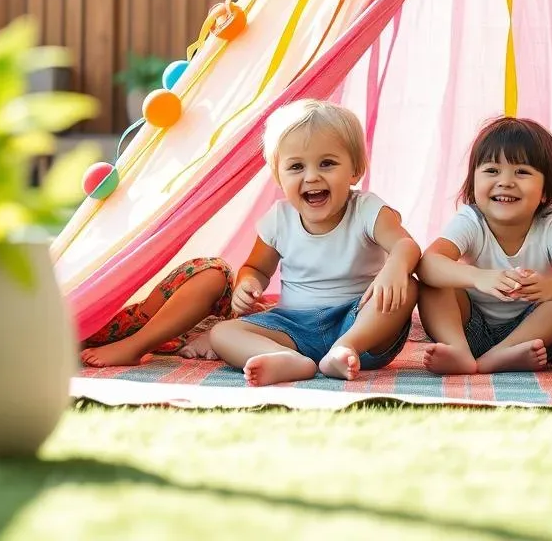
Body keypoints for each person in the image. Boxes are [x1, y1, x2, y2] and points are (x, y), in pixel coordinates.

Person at [209, 99, 420, 386]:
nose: (311, 176)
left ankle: (345, 348)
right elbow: (256, 268)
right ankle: (286, 359)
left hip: (359, 324)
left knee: (408, 286)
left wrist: (395, 267)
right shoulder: (278, 220)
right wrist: (248, 284)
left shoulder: (367, 209)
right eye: (296, 166)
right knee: (222, 334)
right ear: (278, 177)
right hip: (293, 327)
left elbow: (406, 246)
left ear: (355, 170)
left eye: (327, 163)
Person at [417, 116, 552, 374]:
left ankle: (497, 357)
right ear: (473, 182)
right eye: (492, 170)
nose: (505, 181)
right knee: (432, 282)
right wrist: (480, 278)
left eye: (522, 172)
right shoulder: (471, 220)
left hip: (534, 338)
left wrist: (549, 287)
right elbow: (428, 263)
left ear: (545, 192)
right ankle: (457, 350)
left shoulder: (549, 224)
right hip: (470, 330)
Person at [80, 257, 233, 367]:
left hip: (201, 325)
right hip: (125, 316)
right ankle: (133, 345)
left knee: (214, 273)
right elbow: (251, 268)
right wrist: (248, 283)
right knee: (213, 271)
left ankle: (134, 345)